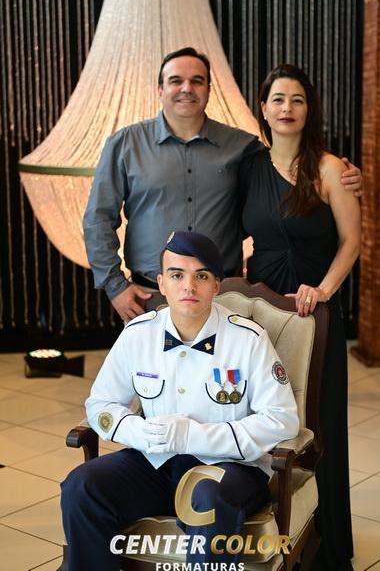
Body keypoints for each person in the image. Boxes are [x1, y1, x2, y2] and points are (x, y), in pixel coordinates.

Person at [61, 230, 300, 571]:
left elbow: (281, 419)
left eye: (201, 276)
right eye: (177, 275)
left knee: (206, 498)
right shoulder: (138, 334)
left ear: (216, 285)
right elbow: (100, 405)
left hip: (228, 468)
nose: (189, 286)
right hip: (155, 463)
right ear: (161, 283)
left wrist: (194, 436)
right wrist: (139, 432)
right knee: (81, 485)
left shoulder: (248, 339)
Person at [82, 46, 362, 323]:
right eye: (176, 80)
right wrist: (115, 286)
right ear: (160, 89)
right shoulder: (124, 145)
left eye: (197, 81)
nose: (187, 88)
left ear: (208, 90)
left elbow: (286, 168)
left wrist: (345, 176)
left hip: (225, 299)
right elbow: (98, 220)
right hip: (151, 296)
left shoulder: (242, 147)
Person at [240, 64, 361, 570]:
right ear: (263, 108)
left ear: (309, 110)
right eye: (277, 99)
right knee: (264, 419)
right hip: (261, 313)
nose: (287, 108)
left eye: (297, 99)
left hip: (315, 314)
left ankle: (327, 543)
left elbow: (352, 241)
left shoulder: (331, 169)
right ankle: (270, 530)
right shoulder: (249, 166)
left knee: (319, 422)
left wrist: (323, 290)